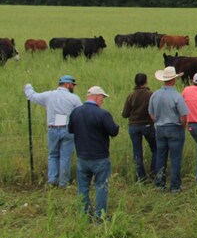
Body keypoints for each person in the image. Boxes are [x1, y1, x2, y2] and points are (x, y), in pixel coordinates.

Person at [69, 86, 120, 220]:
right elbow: (113, 131)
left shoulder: (76, 112)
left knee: (83, 186)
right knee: (101, 186)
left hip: (82, 156)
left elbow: (71, 129)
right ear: (97, 97)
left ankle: (84, 214)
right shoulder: (102, 114)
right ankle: (100, 215)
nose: (102, 101)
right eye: (102, 98)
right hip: (99, 157)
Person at [24, 74, 82, 188]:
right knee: (65, 157)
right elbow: (81, 113)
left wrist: (28, 87)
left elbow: (33, 96)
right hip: (68, 129)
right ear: (67, 84)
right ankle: (63, 183)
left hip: (52, 129)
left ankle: (52, 181)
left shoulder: (49, 95)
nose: (73, 87)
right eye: (72, 85)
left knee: (52, 155)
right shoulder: (74, 98)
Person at [149, 66, 189, 192]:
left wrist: (157, 121)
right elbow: (183, 116)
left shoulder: (155, 95)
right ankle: (175, 186)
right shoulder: (177, 96)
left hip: (160, 128)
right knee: (175, 158)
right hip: (175, 128)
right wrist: (182, 127)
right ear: (174, 80)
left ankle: (160, 184)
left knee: (160, 157)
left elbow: (151, 113)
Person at [122, 73, 157, 183]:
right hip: (147, 125)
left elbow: (125, 114)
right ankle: (154, 174)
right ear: (146, 82)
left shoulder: (131, 95)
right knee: (156, 149)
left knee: (137, 151)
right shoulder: (151, 94)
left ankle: (140, 177)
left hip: (133, 126)